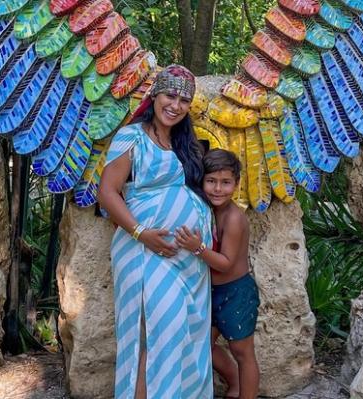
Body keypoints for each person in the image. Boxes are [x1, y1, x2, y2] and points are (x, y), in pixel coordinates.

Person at [97, 65, 214, 399]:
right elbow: (107, 192)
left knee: (179, 334)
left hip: (187, 262)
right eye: (170, 95)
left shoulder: (184, 143)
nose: (175, 105)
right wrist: (142, 232)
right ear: (155, 96)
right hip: (144, 251)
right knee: (156, 333)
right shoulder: (132, 136)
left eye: (184, 100)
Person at [174, 149, 260, 399]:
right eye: (211, 181)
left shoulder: (233, 218)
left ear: (236, 184)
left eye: (225, 183)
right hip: (209, 290)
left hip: (236, 292)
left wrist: (197, 248)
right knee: (202, 344)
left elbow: (225, 263)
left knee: (242, 351)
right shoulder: (206, 211)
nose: (217, 189)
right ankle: (233, 381)